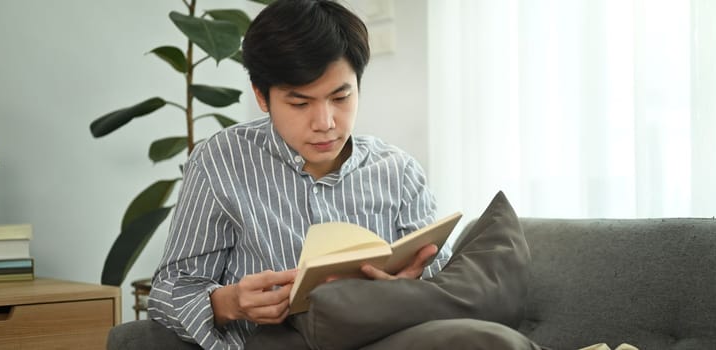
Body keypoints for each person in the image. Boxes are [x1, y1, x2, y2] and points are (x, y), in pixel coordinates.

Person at [148, 1, 541, 349]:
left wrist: (405, 289)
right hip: (280, 340)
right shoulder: (221, 160)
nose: (326, 123)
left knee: (482, 337)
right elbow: (168, 290)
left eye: (341, 97)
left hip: (387, 335)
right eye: (300, 103)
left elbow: (440, 292)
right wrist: (228, 302)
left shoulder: (397, 170)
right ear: (261, 95)